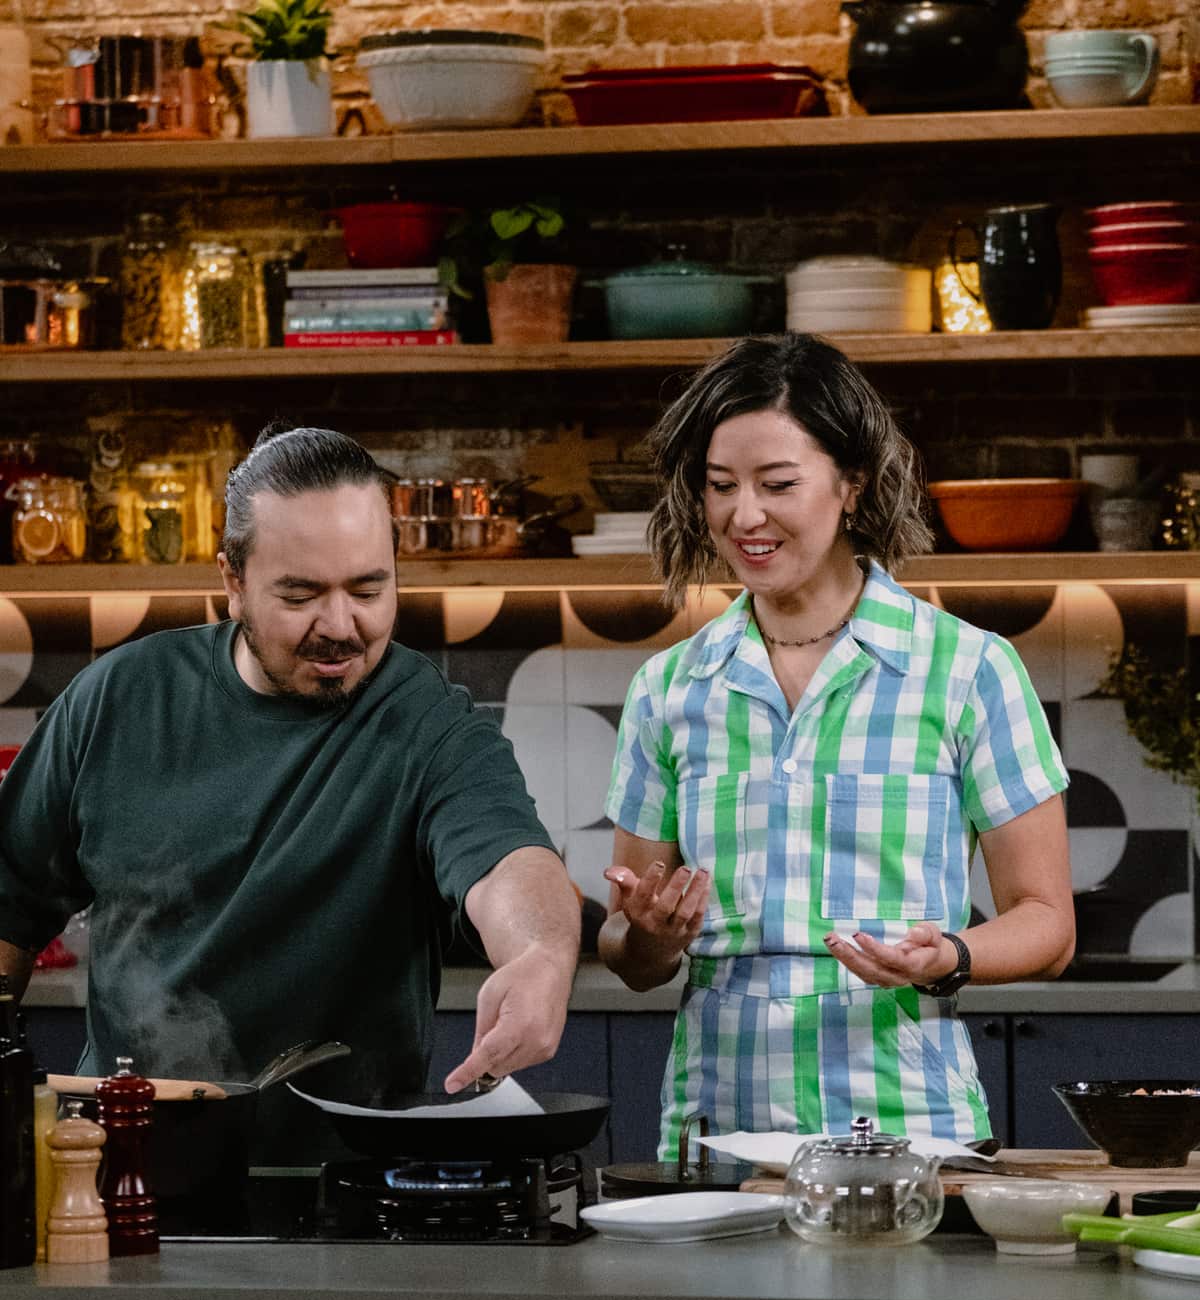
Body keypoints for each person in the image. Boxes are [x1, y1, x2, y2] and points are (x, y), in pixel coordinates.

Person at [0, 426, 580, 1161]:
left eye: (369, 590)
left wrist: (540, 956)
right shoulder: (116, 701)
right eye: (301, 594)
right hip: (125, 1173)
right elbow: (9, 901)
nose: (340, 627)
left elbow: (509, 864)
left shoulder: (426, 724)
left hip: (351, 1182)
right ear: (233, 582)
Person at [600, 333, 1074, 1160]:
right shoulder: (669, 689)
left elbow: (1048, 925)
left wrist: (948, 955)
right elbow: (629, 953)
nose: (743, 516)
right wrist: (650, 935)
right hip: (716, 1140)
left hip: (911, 1137)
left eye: (777, 484)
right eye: (720, 487)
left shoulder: (967, 670)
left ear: (851, 484)